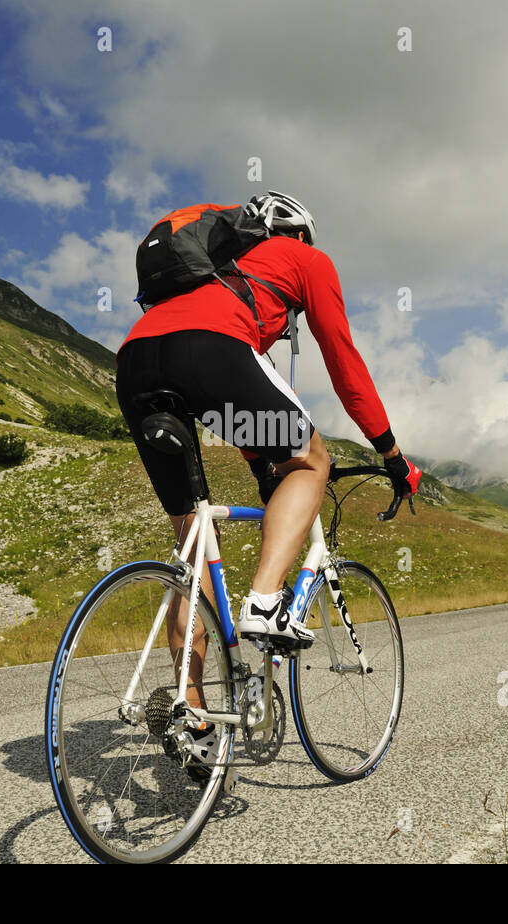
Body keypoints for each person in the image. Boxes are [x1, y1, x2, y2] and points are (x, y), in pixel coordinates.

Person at [115, 191, 421, 774]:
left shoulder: (217, 274)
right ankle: (264, 605)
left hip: (135, 361)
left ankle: (194, 716)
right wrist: (391, 452)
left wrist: (262, 468)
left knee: (193, 540)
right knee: (311, 462)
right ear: (299, 233)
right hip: (211, 350)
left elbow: (247, 408)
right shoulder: (305, 259)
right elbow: (344, 364)